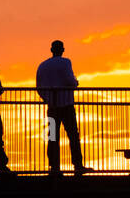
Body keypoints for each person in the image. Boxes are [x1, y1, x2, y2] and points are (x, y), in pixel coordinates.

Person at [35, 40, 91, 176]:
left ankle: (54, 167)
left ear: (51, 49)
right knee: (73, 135)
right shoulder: (66, 62)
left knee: (52, 136)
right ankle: (77, 165)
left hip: (52, 107)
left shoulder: (43, 65)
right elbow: (70, 81)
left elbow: (39, 87)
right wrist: (76, 82)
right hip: (66, 105)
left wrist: (48, 99)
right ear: (63, 50)